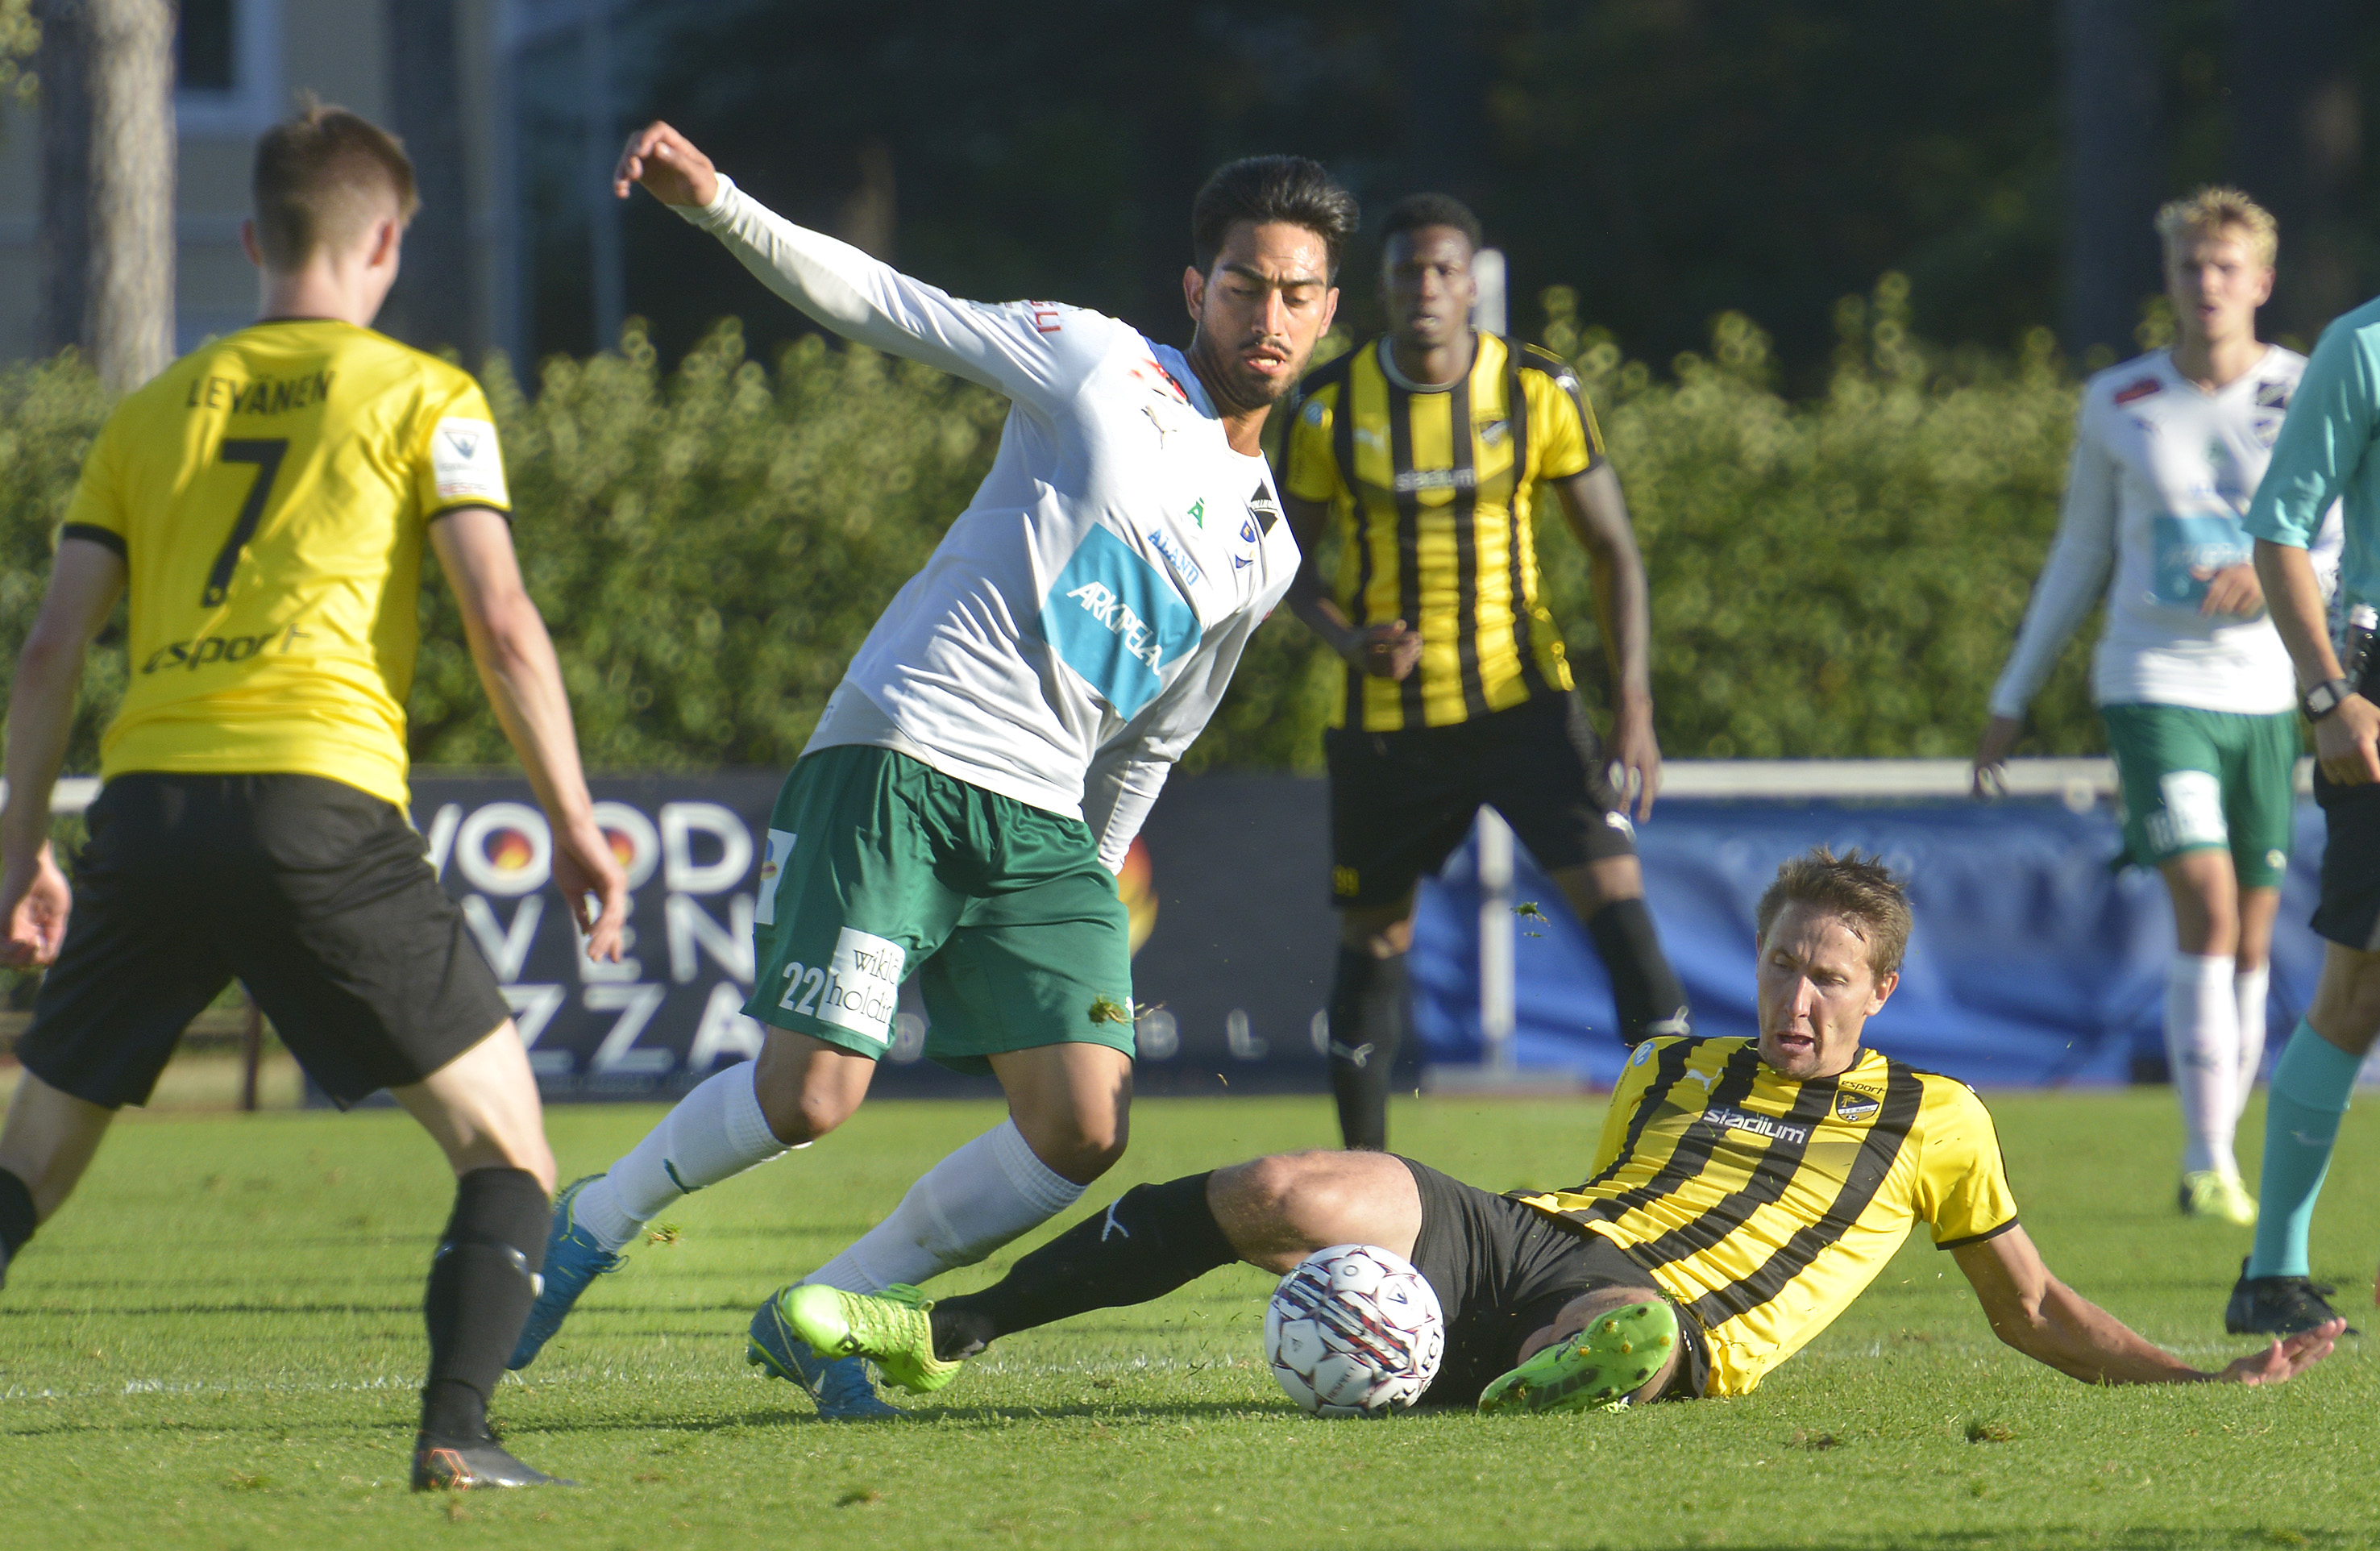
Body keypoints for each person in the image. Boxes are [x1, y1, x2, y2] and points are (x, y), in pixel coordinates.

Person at [505, 122, 1352, 1419]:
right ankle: (596, 1219)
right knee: (810, 1097)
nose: (1269, 315)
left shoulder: (1268, 547)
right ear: (1198, 288)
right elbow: (891, 305)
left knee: (1082, 1127)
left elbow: (1156, 736)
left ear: (1328, 311)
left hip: (1045, 823)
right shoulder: (1099, 364)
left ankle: (829, 1309)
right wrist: (718, 202)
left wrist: (1094, 867)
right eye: (1245, 285)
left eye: (1297, 293)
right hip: (905, 750)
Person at [768, 848, 2340, 1411]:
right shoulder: (1676, 1070)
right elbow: (1601, 1196)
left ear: (1880, 992)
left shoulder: (1938, 1119)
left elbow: (2033, 1308)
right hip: (1529, 1235)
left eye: (1826, 977)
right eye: (1779, 964)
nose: (1794, 996)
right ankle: (944, 1332)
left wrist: (2192, 1378)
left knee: (1629, 1333)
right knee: (1281, 1183)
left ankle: (1516, 1379)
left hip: (1667, 1317)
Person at [0, 102, 628, 1490]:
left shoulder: (149, 413)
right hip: (314, 803)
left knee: (29, 1159)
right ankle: (459, 1432)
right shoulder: (425, 397)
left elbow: (51, 649)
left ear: (252, 239)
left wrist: (20, 850)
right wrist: (575, 822)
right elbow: (502, 622)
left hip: (150, 810)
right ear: (386, 241)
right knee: (505, 1148)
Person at [1279, 193, 1688, 1152]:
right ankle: (1363, 1183)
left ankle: (1675, 1164)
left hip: (1523, 706)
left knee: (1621, 913)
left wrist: (1632, 704)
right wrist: (1347, 639)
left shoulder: (1536, 390)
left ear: (1473, 285)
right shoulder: (1329, 405)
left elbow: (1613, 550)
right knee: (1374, 943)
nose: (1424, 287)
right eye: (1406, 271)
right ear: (1380, 289)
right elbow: (1283, 564)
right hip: (1388, 723)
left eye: (1443, 270)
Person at [1975, 188, 2340, 1225]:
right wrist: (2011, 693)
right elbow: (2080, 550)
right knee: (2208, 906)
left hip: (2265, 691)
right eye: (2190, 265)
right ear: (2169, 278)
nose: (2207, 283)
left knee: (2254, 932)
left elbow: (2337, 537)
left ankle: (2224, 1146)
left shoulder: (2304, 388)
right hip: (2152, 685)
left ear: (2261, 281)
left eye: (2226, 267)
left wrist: (2274, 578)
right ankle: (2204, 1158)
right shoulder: (2120, 399)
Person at [2221, 264, 2380, 1335]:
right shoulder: (2361, 346)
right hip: (2374, 687)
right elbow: (2279, 530)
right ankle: (2272, 1272)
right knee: (2359, 985)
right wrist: (2327, 696)